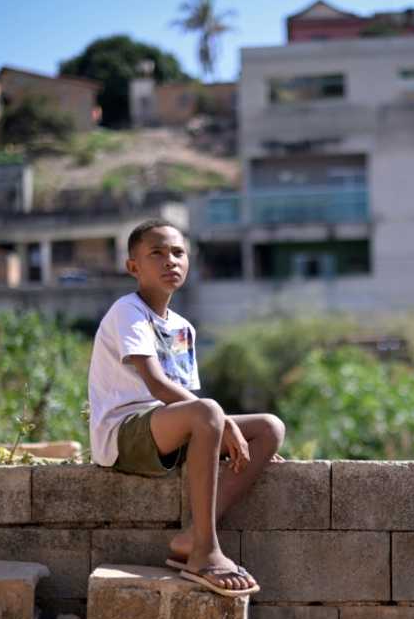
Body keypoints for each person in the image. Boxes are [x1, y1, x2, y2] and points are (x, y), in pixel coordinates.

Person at [88, 218, 285, 597]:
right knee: (210, 412)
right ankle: (204, 553)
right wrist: (222, 421)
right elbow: (158, 385)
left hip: (167, 430)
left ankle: (193, 534)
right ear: (133, 267)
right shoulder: (127, 311)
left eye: (178, 253)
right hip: (124, 434)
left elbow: (187, 399)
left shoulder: (182, 328)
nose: (170, 261)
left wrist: (226, 434)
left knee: (269, 429)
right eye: (157, 253)